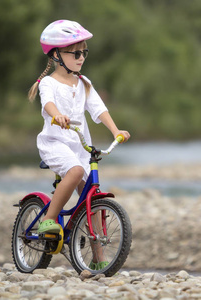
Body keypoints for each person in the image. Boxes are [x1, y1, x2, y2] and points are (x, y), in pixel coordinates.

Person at [28, 20, 130, 237]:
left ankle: (98, 258)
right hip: (55, 143)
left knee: (89, 196)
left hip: (80, 146)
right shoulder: (49, 83)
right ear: (56, 55)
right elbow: (48, 104)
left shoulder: (84, 82)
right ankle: (47, 221)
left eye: (84, 53)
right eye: (75, 53)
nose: (81, 57)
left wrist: (115, 131)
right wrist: (57, 116)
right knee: (75, 171)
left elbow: (99, 109)